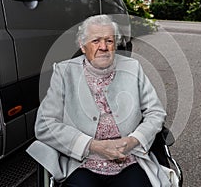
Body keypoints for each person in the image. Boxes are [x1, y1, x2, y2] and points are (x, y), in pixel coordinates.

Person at [31, 14, 175, 187]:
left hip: (129, 159)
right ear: (83, 46)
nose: (103, 47)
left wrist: (134, 140)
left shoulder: (132, 68)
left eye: (109, 41)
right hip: (81, 161)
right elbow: (45, 125)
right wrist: (93, 145)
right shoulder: (64, 72)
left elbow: (156, 112)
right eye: (95, 41)